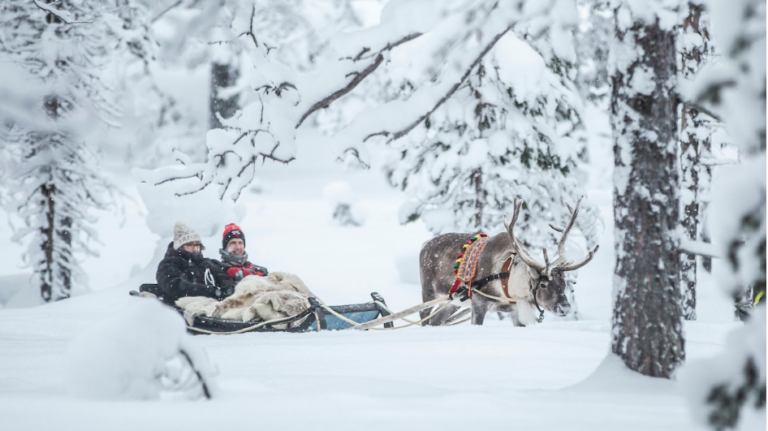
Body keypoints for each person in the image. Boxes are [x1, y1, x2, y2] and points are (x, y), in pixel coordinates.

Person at [156, 221, 235, 305]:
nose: (195, 249)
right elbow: (176, 286)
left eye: (197, 245)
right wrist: (209, 291)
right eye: (190, 245)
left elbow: (224, 278)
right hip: (187, 308)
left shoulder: (207, 263)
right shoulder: (169, 264)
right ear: (180, 246)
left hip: (216, 305)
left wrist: (226, 290)